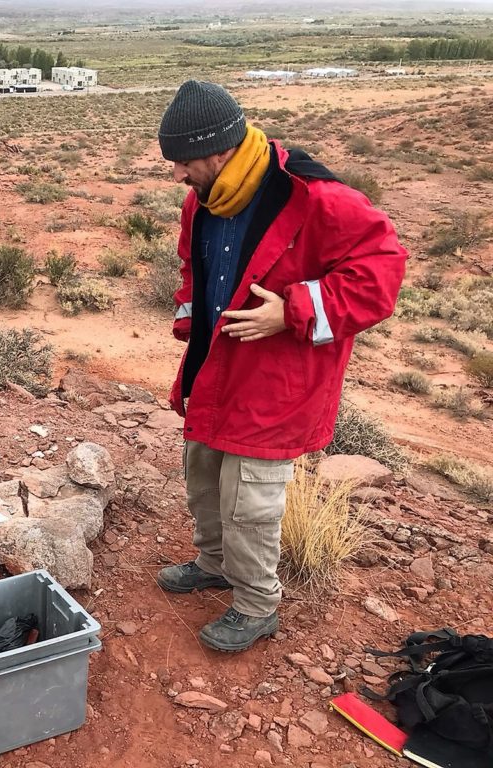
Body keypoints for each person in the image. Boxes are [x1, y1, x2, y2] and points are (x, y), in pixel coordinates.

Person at [154, 80, 407, 652]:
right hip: (214, 369)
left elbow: (382, 273)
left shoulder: (315, 198)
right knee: (204, 478)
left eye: (183, 162)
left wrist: (292, 312)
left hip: (276, 382)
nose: (177, 176)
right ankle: (214, 563)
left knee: (251, 503)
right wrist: (190, 329)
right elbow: (193, 272)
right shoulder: (204, 200)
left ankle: (256, 604)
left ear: (218, 151)